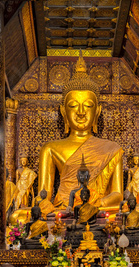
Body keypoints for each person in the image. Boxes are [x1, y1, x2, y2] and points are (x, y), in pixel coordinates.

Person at [37, 53, 124, 210]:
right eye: (73, 105)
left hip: (98, 209)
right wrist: (42, 204)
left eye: (88, 105)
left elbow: (118, 194)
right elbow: (43, 193)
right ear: (63, 112)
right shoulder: (50, 148)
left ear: (97, 112)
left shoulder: (112, 148)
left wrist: (98, 203)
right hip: (64, 209)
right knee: (18, 216)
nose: (81, 112)